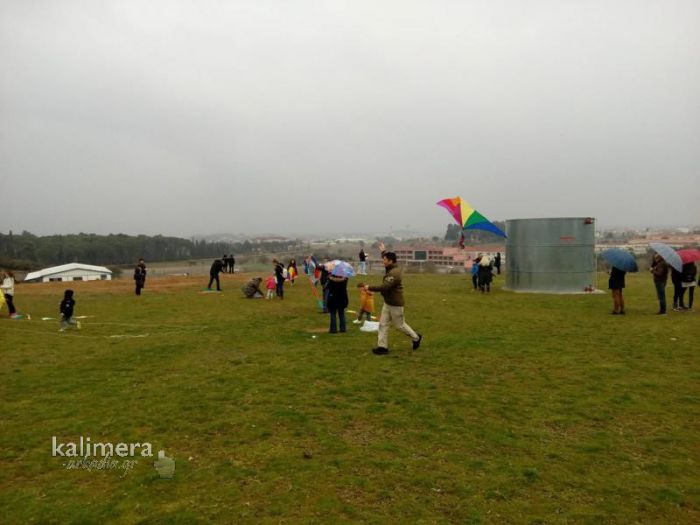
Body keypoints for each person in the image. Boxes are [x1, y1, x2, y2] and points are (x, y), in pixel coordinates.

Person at [365, 242, 422, 355]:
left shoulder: (394, 273)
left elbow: (385, 287)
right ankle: (382, 347)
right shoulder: (391, 268)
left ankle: (416, 337)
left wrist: (369, 287)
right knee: (383, 324)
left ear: (390, 261)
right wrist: (383, 252)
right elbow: (388, 261)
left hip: (395, 304)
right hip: (388, 302)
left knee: (400, 325)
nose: (383, 261)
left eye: (385, 259)